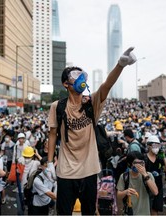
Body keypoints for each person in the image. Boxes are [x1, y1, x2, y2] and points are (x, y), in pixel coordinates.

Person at [47, 47, 137, 215]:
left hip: (90, 171)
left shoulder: (91, 104)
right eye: (75, 76)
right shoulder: (57, 107)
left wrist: (120, 65)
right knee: (64, 212)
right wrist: (49, 162)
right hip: (66, 172)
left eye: (82, 75)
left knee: (89, 211)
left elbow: (106, 86)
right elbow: (52, 134)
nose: (81, 78)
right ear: (66, 84)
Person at [145, 135, 166, 215]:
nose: (156, 147)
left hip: (158, 187)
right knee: (146, 209)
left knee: (155, 210)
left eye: (158, 145)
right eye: (154, 145)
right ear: (149, 146)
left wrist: (163, 157)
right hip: (146, 188)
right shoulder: (144, 158)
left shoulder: (160, 158)